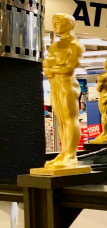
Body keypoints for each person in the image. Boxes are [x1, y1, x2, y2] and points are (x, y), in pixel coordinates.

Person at [42, 14, 85, 169]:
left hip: (67, 85)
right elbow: (46, 66)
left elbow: (68, 68)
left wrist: (52, 69)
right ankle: (64, 152)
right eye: (53, 23)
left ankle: (71, 155)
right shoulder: (55, 45)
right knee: (60, 121)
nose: (55, 26)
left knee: (69, 119)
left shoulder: (75, 45)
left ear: (68, 24)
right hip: (55, 85)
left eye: (57, 23)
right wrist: (53, 69)